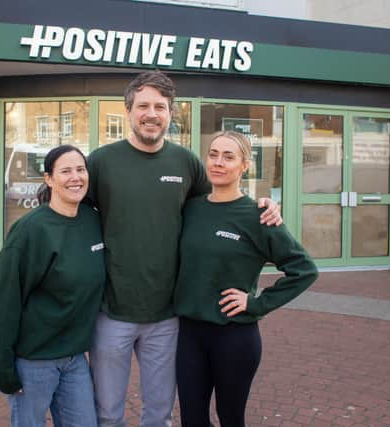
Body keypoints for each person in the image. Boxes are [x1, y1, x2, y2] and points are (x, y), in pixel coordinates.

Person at [86, 71, 282, 427]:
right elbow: (73, 213)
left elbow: (220, 200)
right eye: (143, 105)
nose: (151, 113)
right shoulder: (101, 162)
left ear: (170, 113)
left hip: (167, 317)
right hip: (111, 311)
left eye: (160, 106)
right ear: (129, 110)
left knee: (159, 414)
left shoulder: (186, 163)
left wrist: (263, 204)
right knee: (107, 413)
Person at [174, 131, 318, 427]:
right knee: (192, 420)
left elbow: (303, 269)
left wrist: (257, 303)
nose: (218, 162)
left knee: (230, 419)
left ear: (244, 166)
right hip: (189, 335)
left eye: (228, 157)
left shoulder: (258, 215)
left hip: (234, 336)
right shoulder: (191, 207)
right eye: (213, 154)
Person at [0, 145, 105, 427]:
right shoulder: (30, 231)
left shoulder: (93, 221)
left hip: (75, 359)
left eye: (80, 169)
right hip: (33, 361)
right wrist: (0, 365)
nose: (75, 177)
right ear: (49, 179)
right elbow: (5, 301)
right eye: (65, 171)